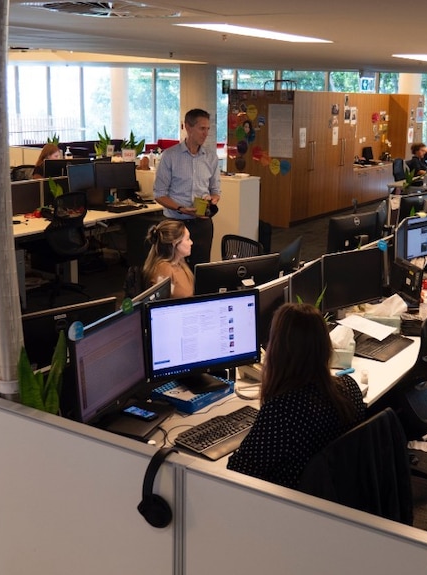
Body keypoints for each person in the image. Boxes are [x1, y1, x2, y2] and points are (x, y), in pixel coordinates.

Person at [227, 303, 367, 489]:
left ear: (278, 350)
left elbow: (238, 470)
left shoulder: (283, 410)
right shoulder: (349, 386)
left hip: (292, 505)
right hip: (336, 499)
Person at [153, 108, 221, 267]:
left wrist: (212, 200)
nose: (206, 133)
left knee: (201, 270)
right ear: (188, 128)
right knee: (174, 270)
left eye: (208, 129)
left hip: (202, 224)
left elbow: (215, 190)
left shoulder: (210, 157)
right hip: (175, 225)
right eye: (201, 128)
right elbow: (159, 194)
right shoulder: (170, 156)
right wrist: (180, 208)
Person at [141, 219, 194, 299]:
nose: (191, 242)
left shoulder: (180, 263)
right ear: (174, 243)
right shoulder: (164, 269)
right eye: (187, 239)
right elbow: (162, 302)